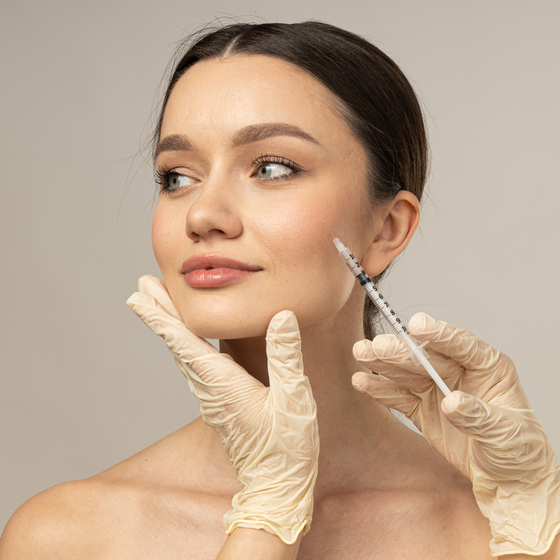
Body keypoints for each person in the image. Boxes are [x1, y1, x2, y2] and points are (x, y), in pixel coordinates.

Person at [1, 21, 559, 560]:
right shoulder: (67, 537)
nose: (202, 214)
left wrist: (534, 528)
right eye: (177, 176)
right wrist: (267, 517)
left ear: (387, 229)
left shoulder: (503, 529)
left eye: (271, 167)